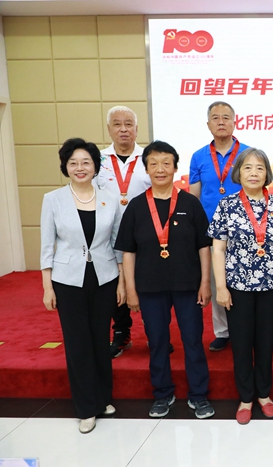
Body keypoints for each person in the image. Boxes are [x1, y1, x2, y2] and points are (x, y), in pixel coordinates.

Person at [117, 141, 215, 420]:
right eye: (154, 164)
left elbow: (203, 247)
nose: (160, 169)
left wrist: (205, 283)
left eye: (166, 163)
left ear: (175, 168)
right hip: (150, 288)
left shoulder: (190, 203)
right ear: (146, 169)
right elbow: (128, 252)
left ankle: (199, 395)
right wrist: (131, 289)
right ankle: (162, 394)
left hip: (188, 286)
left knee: (193, 340)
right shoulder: (136, 206)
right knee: (158, 342)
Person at [40, 138, 125, 434]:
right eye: (73, 162)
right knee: (78, 343)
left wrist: (121, 281)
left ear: (95, 166)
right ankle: (87, 408)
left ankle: (103, 398)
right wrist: (47, 286)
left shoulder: (109, 199)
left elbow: (116, 244)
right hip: (67, 280)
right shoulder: (53, 199)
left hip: (104, 277)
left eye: (86, 162)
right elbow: (47, 246)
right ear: (65, 166)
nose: (80, 168)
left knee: (100, 339)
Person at [208, 148, 273, 425]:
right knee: (242, 343)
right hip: (237, 286)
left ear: (267, 173)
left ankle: (264, 394)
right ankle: (246, 397)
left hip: (272, 284)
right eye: (248, 167)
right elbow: (218, 249)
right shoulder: (227, 205)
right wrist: (221, 287)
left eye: (259, 168)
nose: (254, 173)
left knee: (266, 342)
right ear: (239, 172)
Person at [190, 101, 250, 352]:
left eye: (226, 117)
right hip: (211, 229)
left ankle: (243, 330)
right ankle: (222, 331)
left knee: (243, 280)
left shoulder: (248, 153)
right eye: (216, 118)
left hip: (243, 228)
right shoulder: (199, 156)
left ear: (235, 122)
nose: (221, 122)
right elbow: (194, 196)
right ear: (208, 124)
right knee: (217, 280)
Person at [97, 105, 151, 358]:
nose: (123, 129)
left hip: (146, 232)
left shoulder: (149, 157)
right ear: (109, 129)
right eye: (117, 124)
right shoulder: (97, 160)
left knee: (148, 282)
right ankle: (121, 332)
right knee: (113, 284)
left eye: (128, 124)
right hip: (108, 233)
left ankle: (154, 332)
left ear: (136, 129)